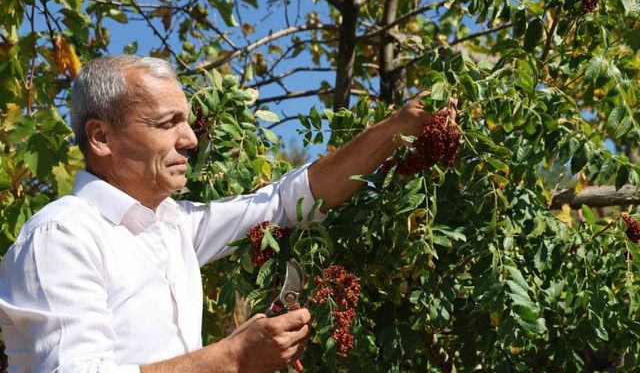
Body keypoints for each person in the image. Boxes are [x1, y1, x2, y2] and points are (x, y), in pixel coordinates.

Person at [0, 55, 444, 372]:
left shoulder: (172, 226)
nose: (190, 139)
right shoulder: (62, 236)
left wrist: (400, 126)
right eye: (167, 123)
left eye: (187, 122)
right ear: (100, 136)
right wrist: (231, 357)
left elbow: (290, 201)